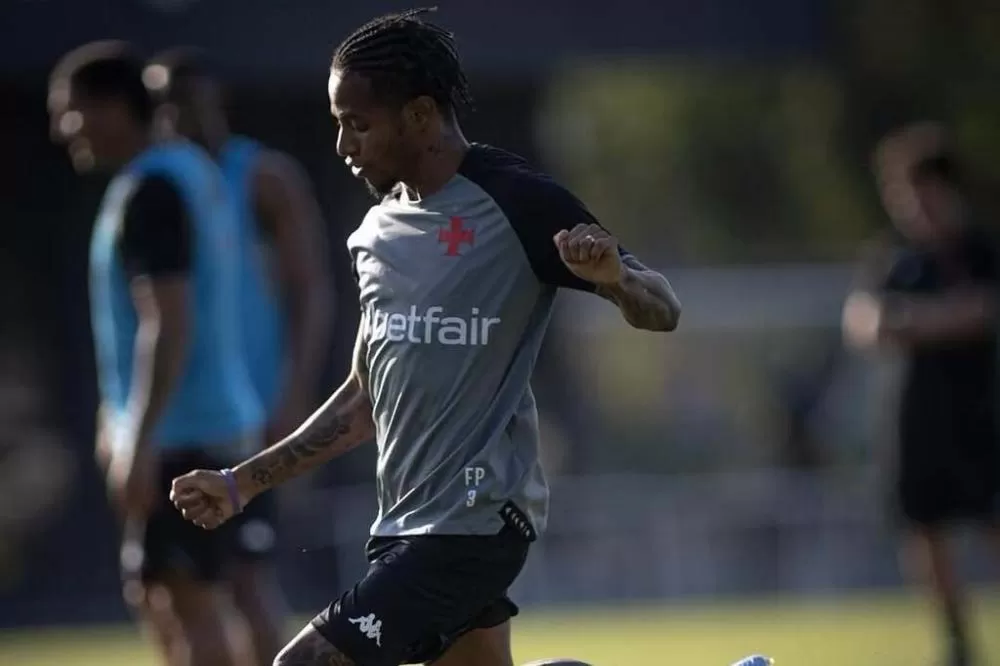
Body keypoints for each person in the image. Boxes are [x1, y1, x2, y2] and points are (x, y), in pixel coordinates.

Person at [171, 8, 681, 666]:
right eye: (336, 125)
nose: (343, 146)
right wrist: (242, 483)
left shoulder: (518, 202)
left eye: (357, 124)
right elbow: (362, 402)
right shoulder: (378, 231)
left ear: (418, 115)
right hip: (407, 522)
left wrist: (613, 281)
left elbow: (662, 309)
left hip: (474, 521)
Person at [48, 40, 265, 666]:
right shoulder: (188, 172)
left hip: (182, 435)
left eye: (71, 111)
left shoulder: (152, 190)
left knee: (187, 607)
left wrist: (138, 438)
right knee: (175, 597)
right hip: (210, 424)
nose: (63, 130)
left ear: (115, 107)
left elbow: (167, 322)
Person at [143, 47, 335, 666]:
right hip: (179, 416)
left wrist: (295, 395)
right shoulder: (157, 183)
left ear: (211, 99)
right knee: (166, 590)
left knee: (247, 577)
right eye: (161, 104)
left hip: (250, 413)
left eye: (183, 99)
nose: (174, 115)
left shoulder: (261, 177)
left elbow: (312, 293)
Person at [843, 122, 1000, 666]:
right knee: (925, 533)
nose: (910, 206)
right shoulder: (891, 257)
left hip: (982, 418)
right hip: (914, 422)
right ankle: (958, 642)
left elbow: (981, 312)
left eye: (918, 191)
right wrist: (933, 320)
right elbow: (862, 323)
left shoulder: (980, 251)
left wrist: (912, 321)